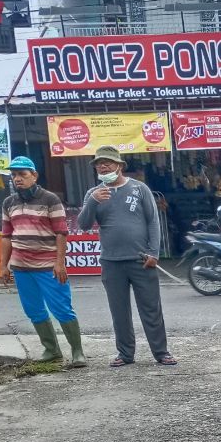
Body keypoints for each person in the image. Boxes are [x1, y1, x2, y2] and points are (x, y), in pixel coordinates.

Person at [77, 145, 175, 367]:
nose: (103, 167)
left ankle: (161, 352)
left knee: (151, 309)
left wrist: (154, 253)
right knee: (119, 311)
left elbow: (153, 221)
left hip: (141, 260)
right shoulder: (92, 194)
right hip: (111, 261)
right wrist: (93, 202)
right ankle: (125, 353)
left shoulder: (139, 189)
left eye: (108, 163)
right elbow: (83, 225)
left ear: (119, 166)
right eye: (99, 164)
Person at [0, 156, 86, 368]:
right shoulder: (8, 203)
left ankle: (77, 352)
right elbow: (6, 236)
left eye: (22, 174)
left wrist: (60, 263)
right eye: (14, 175)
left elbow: (61, 233)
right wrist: (4, 265)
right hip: (21, 266)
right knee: (34, 310)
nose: (17, 179)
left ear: (34, 175)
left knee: (62, 308)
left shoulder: (50, 199)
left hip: (48, 265)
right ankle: (52, 350)